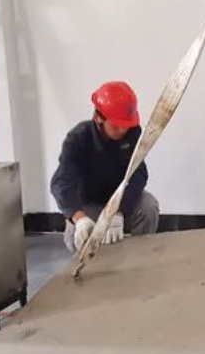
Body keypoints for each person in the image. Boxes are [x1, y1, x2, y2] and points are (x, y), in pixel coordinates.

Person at [51, 81, 161, 253]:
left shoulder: (133, 133)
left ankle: (139, 256)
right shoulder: (78, 138)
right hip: (89, 204)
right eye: (116, 125)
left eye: (126, 125)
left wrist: (118, 211)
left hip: (120, 199)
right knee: (75, 237)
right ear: (98, 119)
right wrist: (79, 219)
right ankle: (92, 264)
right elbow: (61, 183)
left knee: (149, 207)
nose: (122, 130)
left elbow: (138, 174)